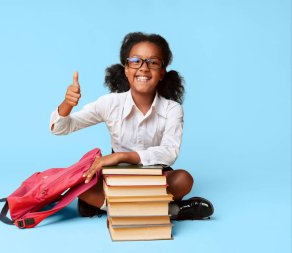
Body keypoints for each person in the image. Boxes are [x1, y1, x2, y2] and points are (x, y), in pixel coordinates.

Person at [49, 32, 214, 220]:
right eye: (136, 61)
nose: (143, 68)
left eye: (153, 62)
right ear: (126, 69)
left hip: (154, 177)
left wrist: (120, 156)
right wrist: (67, 104)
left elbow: (169, 153)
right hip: (115, 178)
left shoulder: (173, 109)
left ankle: (107, 206)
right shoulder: (110, 103)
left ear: (162, 72)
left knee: (183, 179)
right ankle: (170, 210)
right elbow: (61, 128)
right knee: (79, 184)